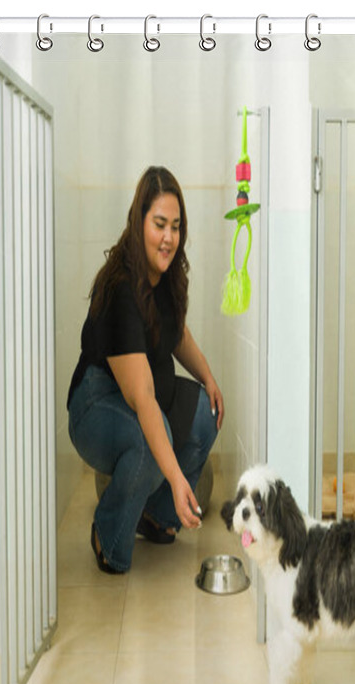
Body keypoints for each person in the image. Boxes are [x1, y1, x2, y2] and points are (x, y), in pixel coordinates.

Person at [67, 166, 223, 574]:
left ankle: (153, 515)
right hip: (96, 403)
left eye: (175, 226)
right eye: (159, 225)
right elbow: (144, 400)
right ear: (139, 223)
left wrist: (208, 378)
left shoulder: (166, 276)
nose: (169, 237)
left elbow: (177, 334)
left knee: (205, 414)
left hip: (138, 395)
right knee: (151, 443)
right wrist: (175, 478)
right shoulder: (119, 287)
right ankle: (108, 534)